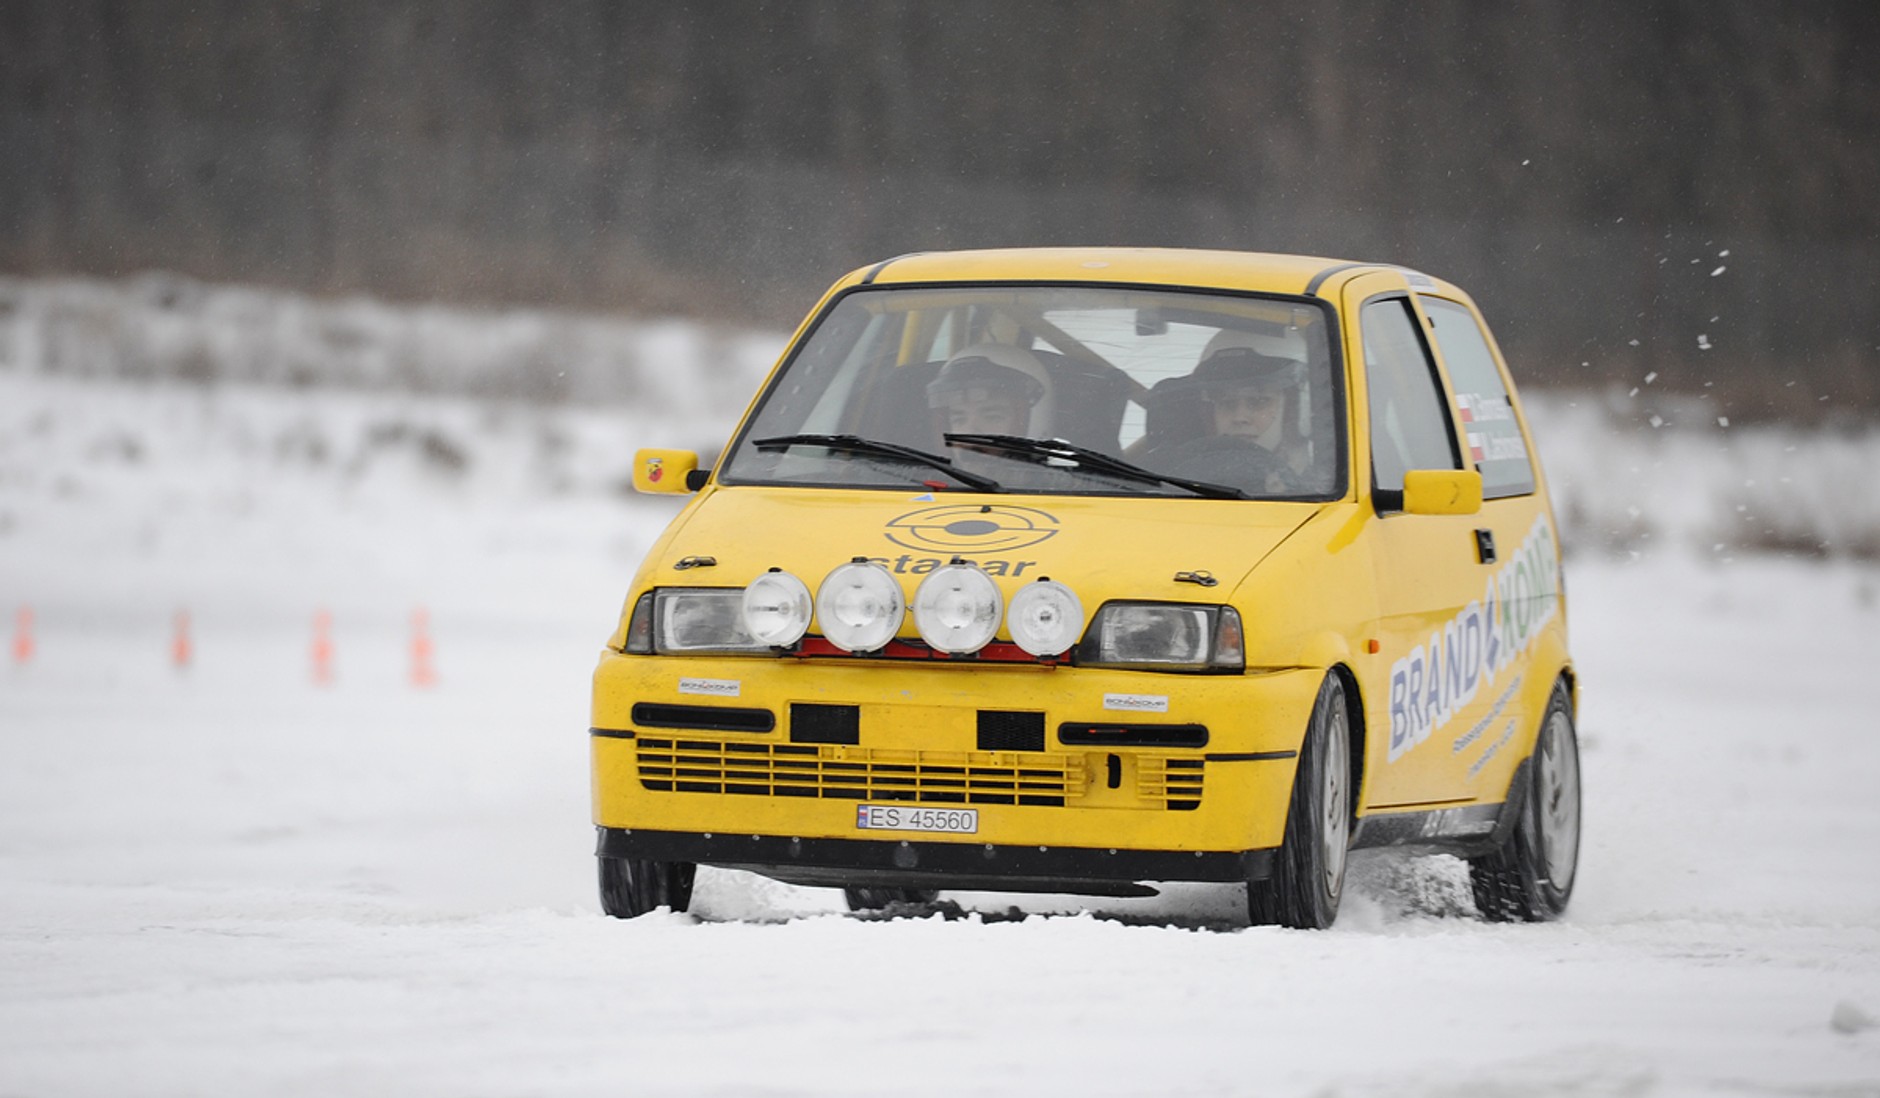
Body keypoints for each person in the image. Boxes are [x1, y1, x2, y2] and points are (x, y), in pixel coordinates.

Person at [925, 343, 1054, 438]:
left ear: (1028, 423)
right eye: (959, 420)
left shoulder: (1064, 475)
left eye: (993, 418)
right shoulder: (918, 473)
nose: (971, 433)